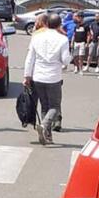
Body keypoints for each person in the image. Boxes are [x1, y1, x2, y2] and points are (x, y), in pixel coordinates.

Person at [24, 13, 72, 145]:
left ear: (47, 23)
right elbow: (65, 59)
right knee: (55, 106)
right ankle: (45, 125)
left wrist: (27, 75)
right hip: (53, 77)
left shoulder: (37, 37)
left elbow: (30, 58)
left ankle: (47, 135)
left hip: (38, 76)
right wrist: (70, 56)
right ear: (59, 25)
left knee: (45, 106)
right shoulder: (62, 39)